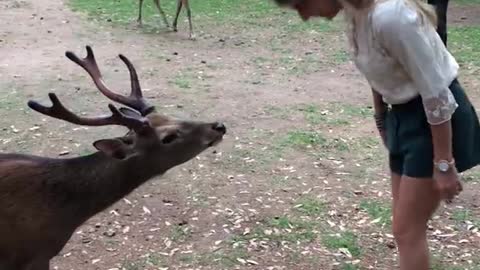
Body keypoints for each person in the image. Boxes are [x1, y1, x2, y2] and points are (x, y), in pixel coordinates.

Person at [271, 0, 480, 269]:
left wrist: (444, 162)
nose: (303, 15)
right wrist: (382, 117)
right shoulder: (356, 14)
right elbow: (375, 69)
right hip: (403, 116)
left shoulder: (390, 16)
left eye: (300, 4)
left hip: (434, 119)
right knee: (405, 227)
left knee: (407, 230)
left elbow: (437, 92)